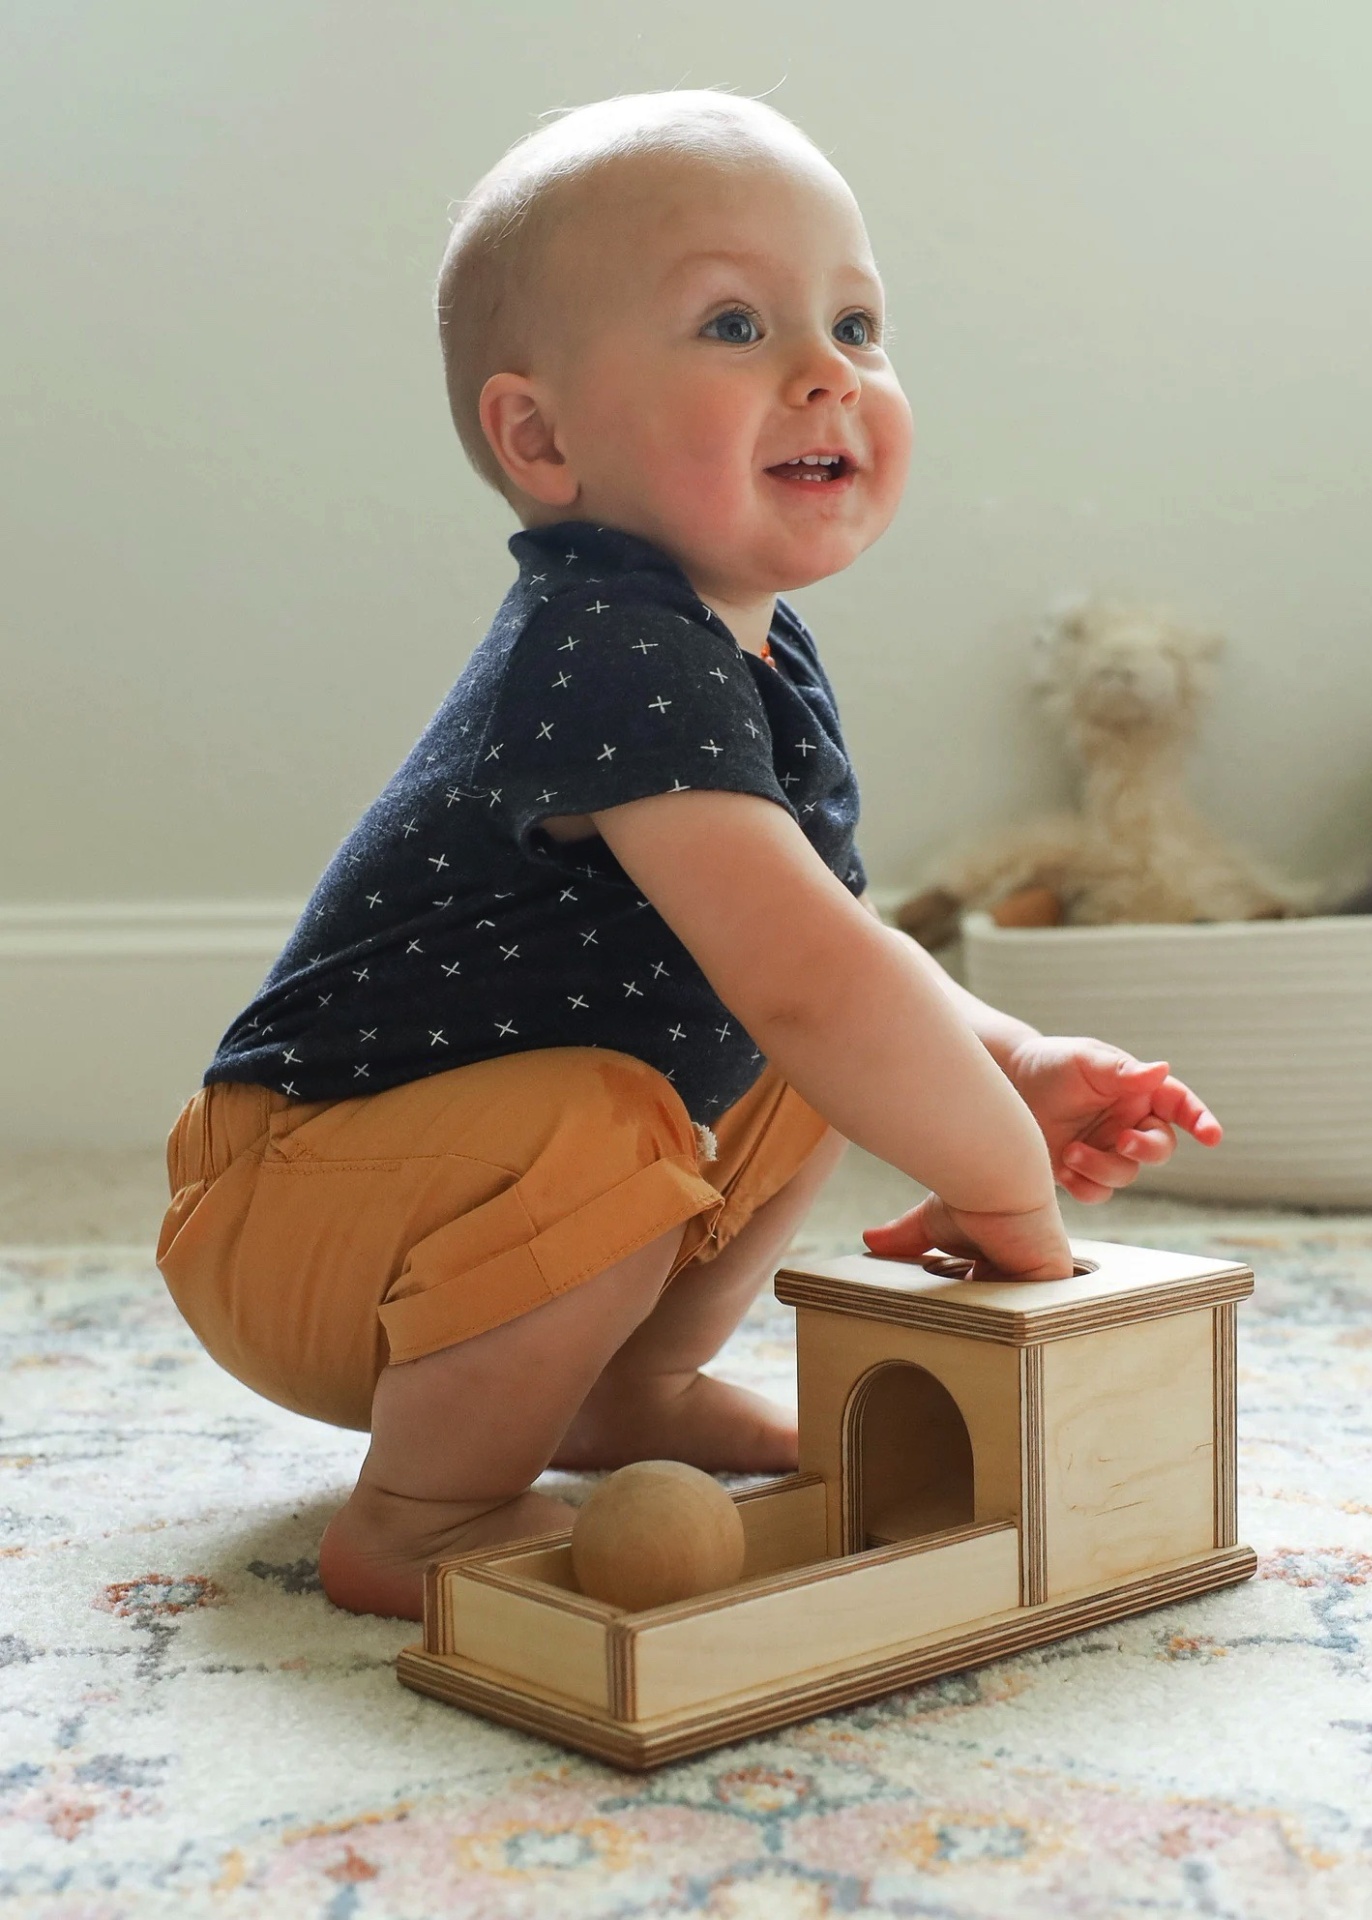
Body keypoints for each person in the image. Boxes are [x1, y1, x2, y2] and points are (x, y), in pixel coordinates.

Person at [156, 90, 1221, 1621]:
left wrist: (1014, 1060)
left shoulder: (751, 652)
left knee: (796, 1059)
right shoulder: (602, 647)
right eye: (734, 325)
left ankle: (622, 1389)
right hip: (302, 1208)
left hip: (447, 1203)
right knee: (624, 1103)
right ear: (541, 437)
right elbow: (808, 975)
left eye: (855, 323)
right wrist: (1002, 1191)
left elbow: (832, 954)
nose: (824, 373)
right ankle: (418, 1511)